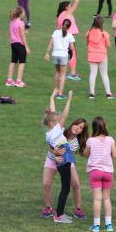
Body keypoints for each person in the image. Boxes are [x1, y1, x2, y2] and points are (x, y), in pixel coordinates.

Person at [40, 109, 89, 221]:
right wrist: (54, 153)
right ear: (72, 124)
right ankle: (48, 208)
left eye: (81, 128)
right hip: (52, 159)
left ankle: (78, 209)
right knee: (46, 184)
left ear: (82, 131)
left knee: (76, 184)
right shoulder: (60, 129)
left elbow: (64, 155)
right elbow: (49, 144)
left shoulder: (75, 143)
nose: (77, 128)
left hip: (64, 161)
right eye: (77, 125)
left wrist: (57, 155)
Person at [42, 89, 76, 224]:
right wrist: (68, 100)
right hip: (64, 158)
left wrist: (52, 96)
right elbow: (65, 115)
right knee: (66, 188)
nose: (60, 120)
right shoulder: (55, 131)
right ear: (52, 123)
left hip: (62, 157)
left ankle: (60, 214)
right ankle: (59, 216)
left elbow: (52, 112)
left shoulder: (50, 132)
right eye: (57, 120)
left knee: (65, 187)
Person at [84, 116, 116, 232]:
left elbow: (85, 154)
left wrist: (89, 142)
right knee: (107, 199)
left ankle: (96, 225)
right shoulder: (110, 140)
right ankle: (109, 225)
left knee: (97, 199)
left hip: (95, 172)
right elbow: (115, 155)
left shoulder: (90, 140)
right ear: (105, 126)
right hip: (108, 172)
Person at [45, 19, 75, 99]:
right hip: (63, 56)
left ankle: (55, 91)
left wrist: (47, 53)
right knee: (63, 75)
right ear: (69, 27)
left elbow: (51, 43)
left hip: (55, 54)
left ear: (62, 24)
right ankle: (60, 94)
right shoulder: (69, 35)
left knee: (57, 72)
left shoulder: (55, 32)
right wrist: (70, 54)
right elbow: (72, 48)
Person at [57, 0, 82, 81]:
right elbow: (76, 2)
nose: (71, 6)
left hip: (63, 37)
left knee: (67, 54)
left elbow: (57, 29)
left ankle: (64, 73)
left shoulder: (60, 16)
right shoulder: (68, 13)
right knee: (72, 54)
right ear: (66, 7)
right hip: (69, 37)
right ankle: (72, 74)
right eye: (69, 5)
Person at [86, 16, 113, 99]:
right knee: (104, 74)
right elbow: (108, 45)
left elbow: (87, 43)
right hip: (102, 55)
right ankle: (108, 93)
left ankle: (92, 93)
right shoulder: (104, 33)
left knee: (93, 74)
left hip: (92, 55)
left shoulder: (89, 32)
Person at [6, 7, 30, 88]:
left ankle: (9, 80)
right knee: (22, 62)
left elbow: (15, 32)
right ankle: (18, 81)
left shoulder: (12, 21)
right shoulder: (21, 23)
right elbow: (22, 36)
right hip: (20, 44)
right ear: (20, 14)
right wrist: (26, 47)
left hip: (13, 43)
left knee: (13, 61)